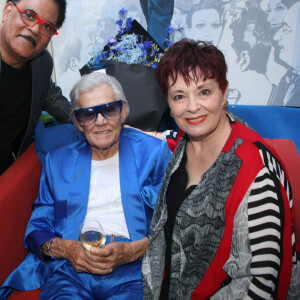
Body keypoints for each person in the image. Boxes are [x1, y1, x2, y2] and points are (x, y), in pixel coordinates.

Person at [142, 39, 300, 299]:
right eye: (179, 96)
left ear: (224, 91)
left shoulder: (256, 173)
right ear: (168, 103)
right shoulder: (184, 145)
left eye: (204, 92)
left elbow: (259, 284)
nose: (192, 107)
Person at [0, 72, 172, 299]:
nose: (100, 121)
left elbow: (173, 217)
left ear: (123, 112)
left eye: (109, 109)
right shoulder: (57, 161)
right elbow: (39, 224)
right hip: (71, 269)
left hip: (132, 267)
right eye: (88, 114)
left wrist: (134, 250)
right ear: (78, 123)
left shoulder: (153, 153)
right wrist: (67, 250)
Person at [0, 0, 72, 175]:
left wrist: (90, 119)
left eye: (46, 27)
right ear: (8, 11)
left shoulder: (42, 63)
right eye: (29, 16)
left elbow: (49, 94)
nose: (34, 29)